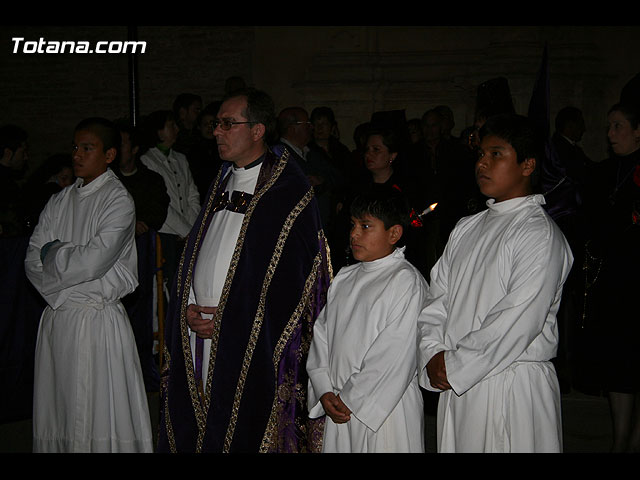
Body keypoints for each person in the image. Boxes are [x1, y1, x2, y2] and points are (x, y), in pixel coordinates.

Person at [157, 88, 332, 453]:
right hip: (199, 330)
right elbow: (197, 251)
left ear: (257, 130)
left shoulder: (289, 190)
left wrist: (232, 317)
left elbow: (294, 283)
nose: (217, 131)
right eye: (217, 124)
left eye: (227, 124)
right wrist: (188, 304)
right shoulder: (221, 178)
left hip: (249, 340)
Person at [417, 113, 573, 453]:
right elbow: (436, 299)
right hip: (458, 383)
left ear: (527, 165)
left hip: (510, 385)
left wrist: (454, 364)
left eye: (496, 154)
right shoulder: (466, 228)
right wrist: (432, 353)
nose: (482, 163)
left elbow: (517, 319)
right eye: (480, 155)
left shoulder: (539, 234)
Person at [24, 117, 153, 452]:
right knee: (60, 410)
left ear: (109, 155)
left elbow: (94, 260)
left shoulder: (118, 201)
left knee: (98, 412)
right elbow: (31, 259)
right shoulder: (59, 201)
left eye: (87, 148)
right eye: (74, 147)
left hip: (97, 322)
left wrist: (56, 253)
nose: (77, 155)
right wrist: (67, 274)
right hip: (58, 320)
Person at [306, 187, 427, 452]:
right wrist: (325, 389)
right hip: (339, 403)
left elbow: (396, 352)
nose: (354, 234)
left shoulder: (406, 281)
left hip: (383, 410)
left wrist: (351, 398)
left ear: (394, 233)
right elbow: (322, 335)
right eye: (353, 225)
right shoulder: (345, 278)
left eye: (366, 226)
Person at [578, 102, 640, 452]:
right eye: (609, 127)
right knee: (620, 361)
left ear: (638, 130)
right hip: (616, 280)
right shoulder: (604, 172)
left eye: (618, 126)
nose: (610, 133)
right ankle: (620, 441)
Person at [139, 110, 200, 290]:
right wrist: (186, 230)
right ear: (159, 131)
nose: (176, 130)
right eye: (171, 126)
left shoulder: (180, 158)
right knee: (168, 286)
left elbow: (192, 194)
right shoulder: (147, 160)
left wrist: (192, 226)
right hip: (165, 233)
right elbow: (160, 204)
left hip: (187, 232)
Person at [0, 124, 29, 237]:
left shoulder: (10, 182)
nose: (25, 157)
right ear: (8, 153)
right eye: (23, 152)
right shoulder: (7, 185)